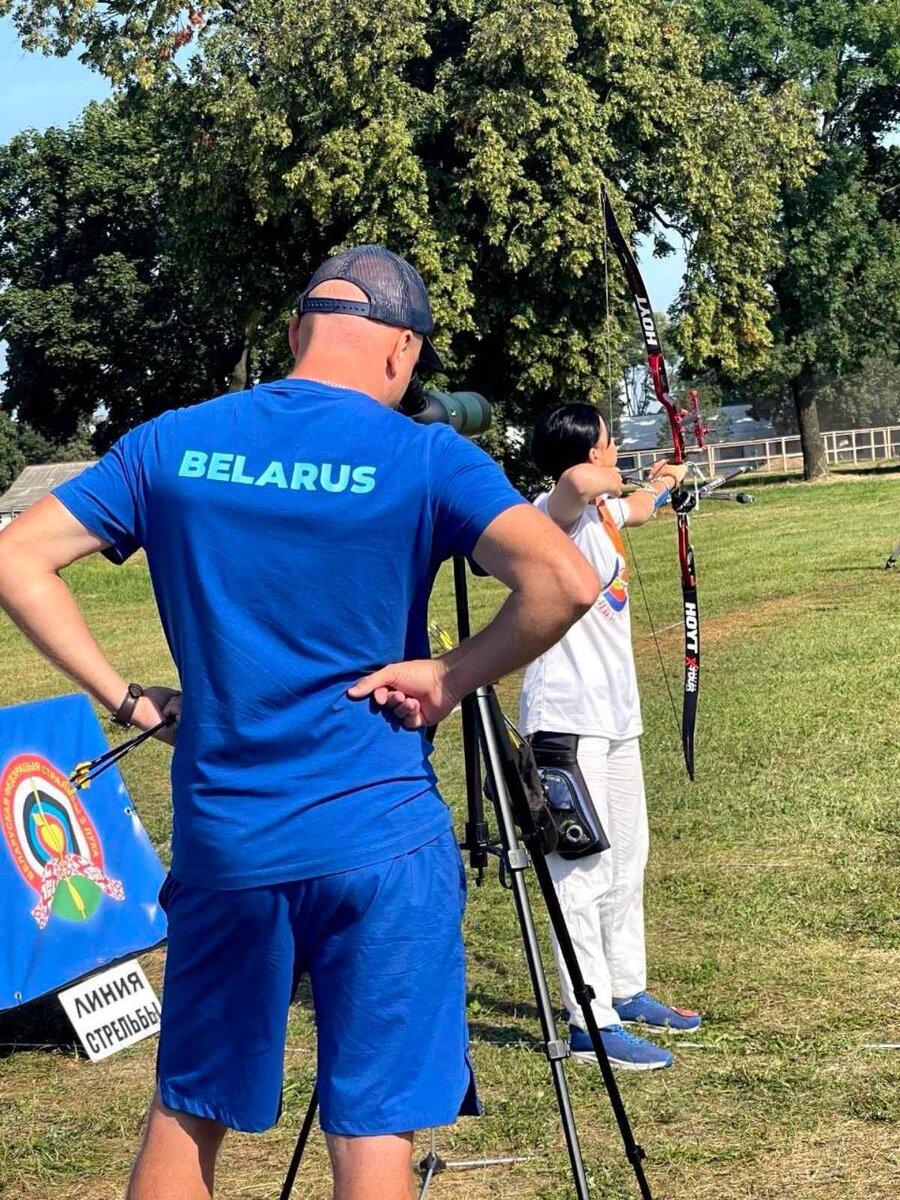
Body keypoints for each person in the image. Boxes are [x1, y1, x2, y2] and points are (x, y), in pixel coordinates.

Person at [0, 246, 600, 1200]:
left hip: (229, 844)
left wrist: (127, 698)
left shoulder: (171, 444)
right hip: (381, 836)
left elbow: (16, 560)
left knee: (188, 1109)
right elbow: (565, 581)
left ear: (295, 334)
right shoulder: (424, 453)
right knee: (371, 1135)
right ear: (403, 352)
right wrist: (449, 674)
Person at [519, 402, 702, 1072]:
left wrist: (657, 480)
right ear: (585, 454)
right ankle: (587, 1023)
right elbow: (575, 487)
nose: (615, 445)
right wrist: (613, 476)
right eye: (607, 440)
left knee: (629, 855)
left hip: (615, 717)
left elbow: (639, 508)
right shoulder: (555, 513)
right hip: (565, 720)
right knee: (581, 868)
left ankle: (625, 988)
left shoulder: (603, 513)